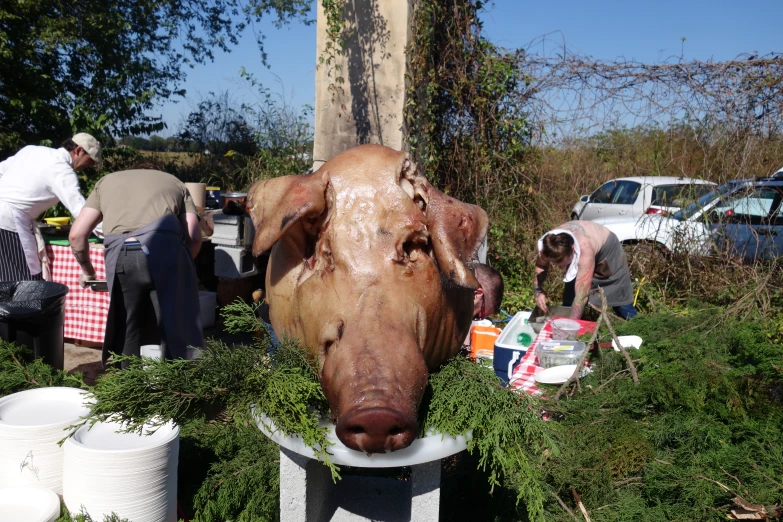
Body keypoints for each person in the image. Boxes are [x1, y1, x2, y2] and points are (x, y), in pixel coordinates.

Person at [69, 162, 204, 367]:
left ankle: (129, 387)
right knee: (174, 329)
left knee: (128, 329)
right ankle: (177, 389)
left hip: (123, 257)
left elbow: (76, 235)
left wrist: (88, 271)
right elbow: (194, 236)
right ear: (155, 172)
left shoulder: (105, 182)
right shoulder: (175, 182)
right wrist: (181, 266)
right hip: (165, 253)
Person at [0, 133, 102, 281]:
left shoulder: (31, 150)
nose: (91, 165)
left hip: (10, 217)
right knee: (22, 283)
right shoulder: (62, 170)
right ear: (79, 150)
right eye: (91, 159)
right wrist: (111, 233)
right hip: (9, 221)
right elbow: (81, 212)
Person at [534, 220, 637, 320]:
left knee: (619, 297)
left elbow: (581, 296)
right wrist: (538, 291)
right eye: (556, 264)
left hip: (607, 251)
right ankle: (571, 321)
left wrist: (570, 327)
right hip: (583, 249)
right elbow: (541, 266)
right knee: (569, 298)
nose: (561, 268)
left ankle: (635, 323)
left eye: (563, 264)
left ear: (573, 249)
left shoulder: (585, 250)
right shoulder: (547, 245)